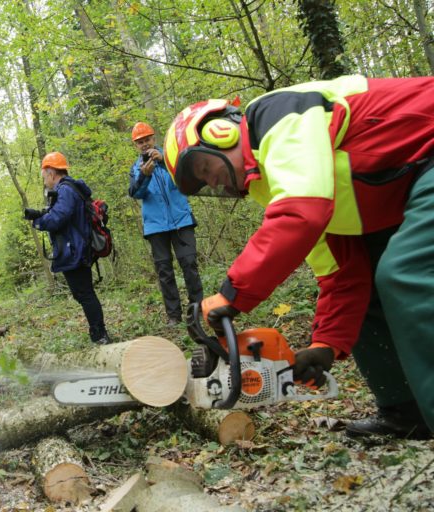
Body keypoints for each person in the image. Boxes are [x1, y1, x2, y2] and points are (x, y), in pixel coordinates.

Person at [163, 75, 434, 440]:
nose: (213, 182)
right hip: (409, 184)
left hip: (424, 162)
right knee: (370, 284)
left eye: (205, 169)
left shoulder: (276, 115)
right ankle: (406, 411)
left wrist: (231, 294)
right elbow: (342, 273)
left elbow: (300, 215)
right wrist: (325, 344)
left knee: (404, 273)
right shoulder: (276, 185)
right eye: (204, 182)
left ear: (220, 132)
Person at [24, 152, 111, 345]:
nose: (45, 181)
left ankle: (100, 336)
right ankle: (99, 334)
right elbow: (62, 214)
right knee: (83, 293)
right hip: (77, 248)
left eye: (44, 176)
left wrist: (38, 222)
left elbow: (58, 218)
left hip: (75, 251)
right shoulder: (69, 189)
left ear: (52, 173)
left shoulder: (65, 190)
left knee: (85, 294)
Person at [128, 122, 203, 326]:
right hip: (155, 226)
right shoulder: (136, 168)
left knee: (189, 265)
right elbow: (135, 193)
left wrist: (163, 163)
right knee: (165, 272)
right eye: (140, 142)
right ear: (136, 145)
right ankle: (174, 316)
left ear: (154, 139)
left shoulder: (171, 157)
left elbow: (185, 178)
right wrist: (144, 175)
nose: (145, 145)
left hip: (182, 221)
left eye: (147, 140)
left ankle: (197, 309)